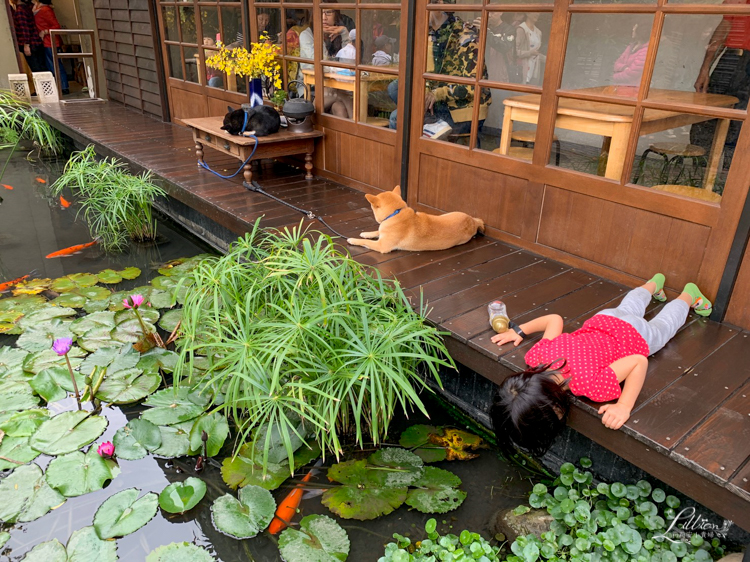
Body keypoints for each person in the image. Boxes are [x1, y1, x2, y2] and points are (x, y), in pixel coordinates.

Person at [489, 273, 713, 455]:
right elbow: (554, 319)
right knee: (630, 305)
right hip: (605, 319)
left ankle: (688, 296)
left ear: (555, 409)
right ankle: (654, 284)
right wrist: (518, 330)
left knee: (664, 326)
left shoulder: (591, 386)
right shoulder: (538, 358)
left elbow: (638, 361)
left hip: (637, 337)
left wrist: (624, 406)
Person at [389, 0, 491, 137]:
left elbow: (474, 85)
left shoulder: (466, 34)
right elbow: (425, 73)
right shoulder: (430, 34)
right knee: (395, 87)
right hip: (440, 104)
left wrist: (437, 93)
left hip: (463, 108)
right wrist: (425, 91)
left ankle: (427, 131)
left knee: (398, 116)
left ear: (438, 6)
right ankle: (431, 122)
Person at [691, 4, 749, 165]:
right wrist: (705, 68)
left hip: (741, 61)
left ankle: (730, 182)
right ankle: (700, 174)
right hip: (732, 58)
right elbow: (724, 26)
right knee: (707, 116)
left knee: (740, 127)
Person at [32, 0, 68, 94]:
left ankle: (64, 87)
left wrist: (45, 31)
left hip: (51, 42)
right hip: (46, 42)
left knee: (55, 64)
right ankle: (60, 86)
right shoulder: (39, 9)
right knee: (51, 65)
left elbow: (56, 26)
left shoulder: (45, 10)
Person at [12, 0, 46, 74]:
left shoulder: (20, 11)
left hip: (31, 44)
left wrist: (26, 45)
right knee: (41, 67)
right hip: (36, 42)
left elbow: (25, 29)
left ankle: (42, 84)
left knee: (36, 68)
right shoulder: (27, 8)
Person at [612, 23, 650, 88]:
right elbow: (617, 63)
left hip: (633, 90)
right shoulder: (631, 47)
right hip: (621, 87)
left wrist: (614, 76)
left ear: (640, 32)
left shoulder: (646, 51)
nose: (632, 30)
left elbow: (631, 74)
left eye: (634, 29)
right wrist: (625, 67)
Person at [518, 12, 544, 85]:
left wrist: (549, 60)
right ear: (527, 13)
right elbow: (514, 52)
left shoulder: (538, 32)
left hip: (534, 71)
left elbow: (536, 53)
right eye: (534, 11)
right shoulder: (521, 29)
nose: (537, 14)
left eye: (538, 12)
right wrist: (529, 53)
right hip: (521, 70)